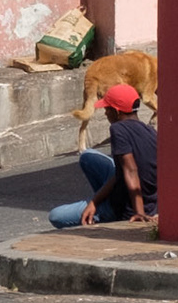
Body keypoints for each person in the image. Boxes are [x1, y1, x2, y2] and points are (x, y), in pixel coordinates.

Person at [49, 83, 157, 228]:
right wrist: (94, 202)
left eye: (107, 109)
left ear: (117, 112)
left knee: (56, 216)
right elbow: (122, 172)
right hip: (146, 198)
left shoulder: (118, 129)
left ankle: (105, 212)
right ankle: (101, 202)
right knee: (87, 156)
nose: (106, 114)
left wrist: (139, 212)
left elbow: (131, 170)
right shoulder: (150, 131)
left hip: (124, 207)